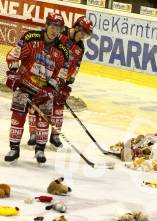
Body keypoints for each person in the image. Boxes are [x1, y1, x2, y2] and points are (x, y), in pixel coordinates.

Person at [4, 13, 68, 164]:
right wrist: (13, 73)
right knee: (17, 117)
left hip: (43, 91)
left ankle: (40, 150)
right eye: (52, 25)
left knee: (44, 121)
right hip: (24, 86)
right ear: (46, 25)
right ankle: (14, 148)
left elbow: (61, 75)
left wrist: (51, 90)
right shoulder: (30, 37)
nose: (54, 30)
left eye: (58, 27)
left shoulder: (62, 51)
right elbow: (14, 55)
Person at [27, 16, 94, 149]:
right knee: (37, 104)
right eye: (82, 33)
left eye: (86, 35)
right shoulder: (59, 34)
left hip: (61, 81)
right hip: (45, 76)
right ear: (76, 28)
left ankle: (55, 135)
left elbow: (76, 66)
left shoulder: (80, 46)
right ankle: (33, 134)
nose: (82, 37)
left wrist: (68, 82)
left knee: (58, 108)